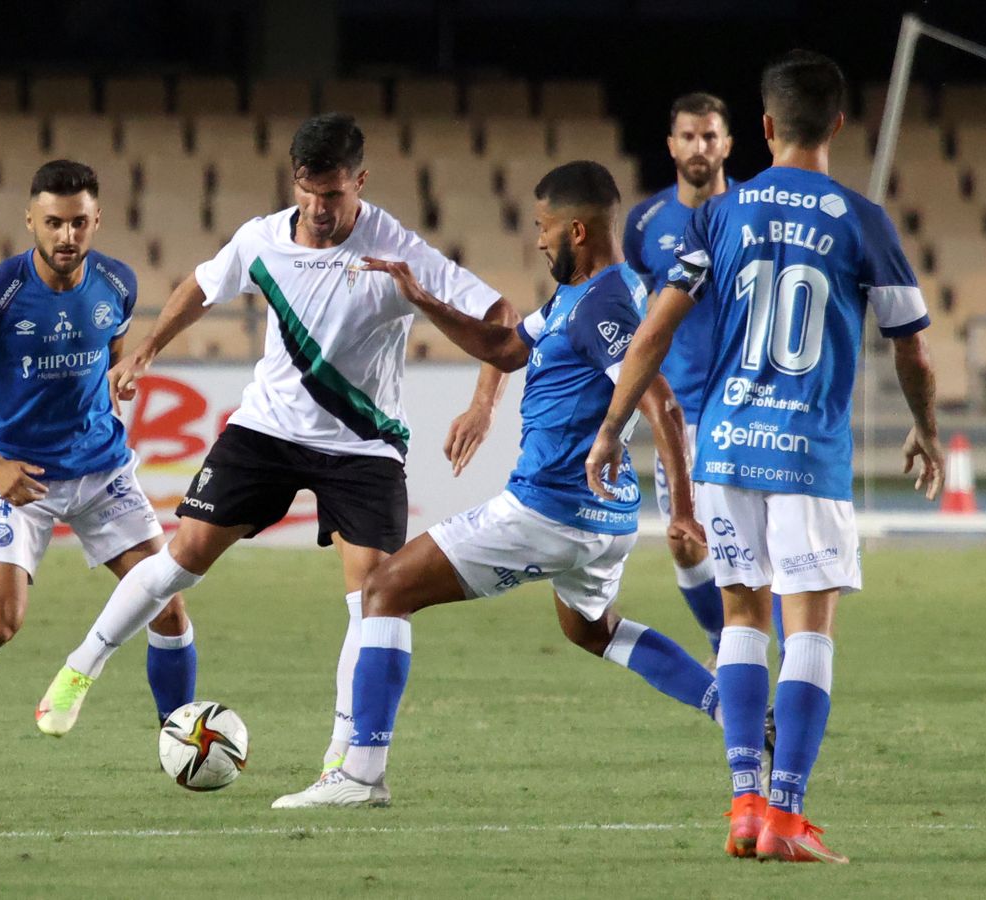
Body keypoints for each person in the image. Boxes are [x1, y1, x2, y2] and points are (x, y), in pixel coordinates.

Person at [35, 113, 516, 779]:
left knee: (371, 596)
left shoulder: (397, 249)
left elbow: (501, 317)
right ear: (295, 181)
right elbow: (203, 287)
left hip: (364, 445)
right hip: (267, 429)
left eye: (336, 194)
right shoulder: (262, 239)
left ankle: (343, 755)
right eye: (308, 192)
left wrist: (482, 404)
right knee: (183, 558)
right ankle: (78, 670)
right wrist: (146, 349)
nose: (319, 209)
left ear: (361, 183)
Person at [586, 50, 944, 863]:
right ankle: (786, 816)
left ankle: (744, 805)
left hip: (725, 445)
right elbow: (912, 351)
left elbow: (655, 330)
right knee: (808, 630)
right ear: (839, 125)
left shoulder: (724, 213)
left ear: (768, 127)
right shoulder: (862, 220)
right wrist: (924, 426)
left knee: (742, 620)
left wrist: (611, 427)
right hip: (807, 453)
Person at [272, 160, 719, 809]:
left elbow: (663, 403)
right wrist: (423, 301)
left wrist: (683, 511)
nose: (537, 240)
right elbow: (506, 347)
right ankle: (733, 706)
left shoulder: (606, 303)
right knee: (591, 630)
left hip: (551, 506)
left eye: (543, 228)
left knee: (385, 589)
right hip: (602, 521)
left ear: (577, 230)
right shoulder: (575, 298)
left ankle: (359, 774)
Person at [0, 159, 194, 759]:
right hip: (17, 475)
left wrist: (117, 381)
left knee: (167, 607)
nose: (66, 237)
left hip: (102, 472)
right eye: (53, 223)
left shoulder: (119, 283)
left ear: (97, 220)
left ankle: (182, 736)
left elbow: (111, 352)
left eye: (78, 223)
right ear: (30, 221)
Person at [623, 92, 734, 658]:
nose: (699, 146)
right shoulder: (644, 223)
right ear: (670, 145)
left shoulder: (750, 214)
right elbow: (637, 316)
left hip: (742, 408)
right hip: (681, 414)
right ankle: (722, 642)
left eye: (710, 136)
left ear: (728, 144)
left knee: (752, 546)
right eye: (689, 136)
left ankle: (766, 657)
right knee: (687, 544)